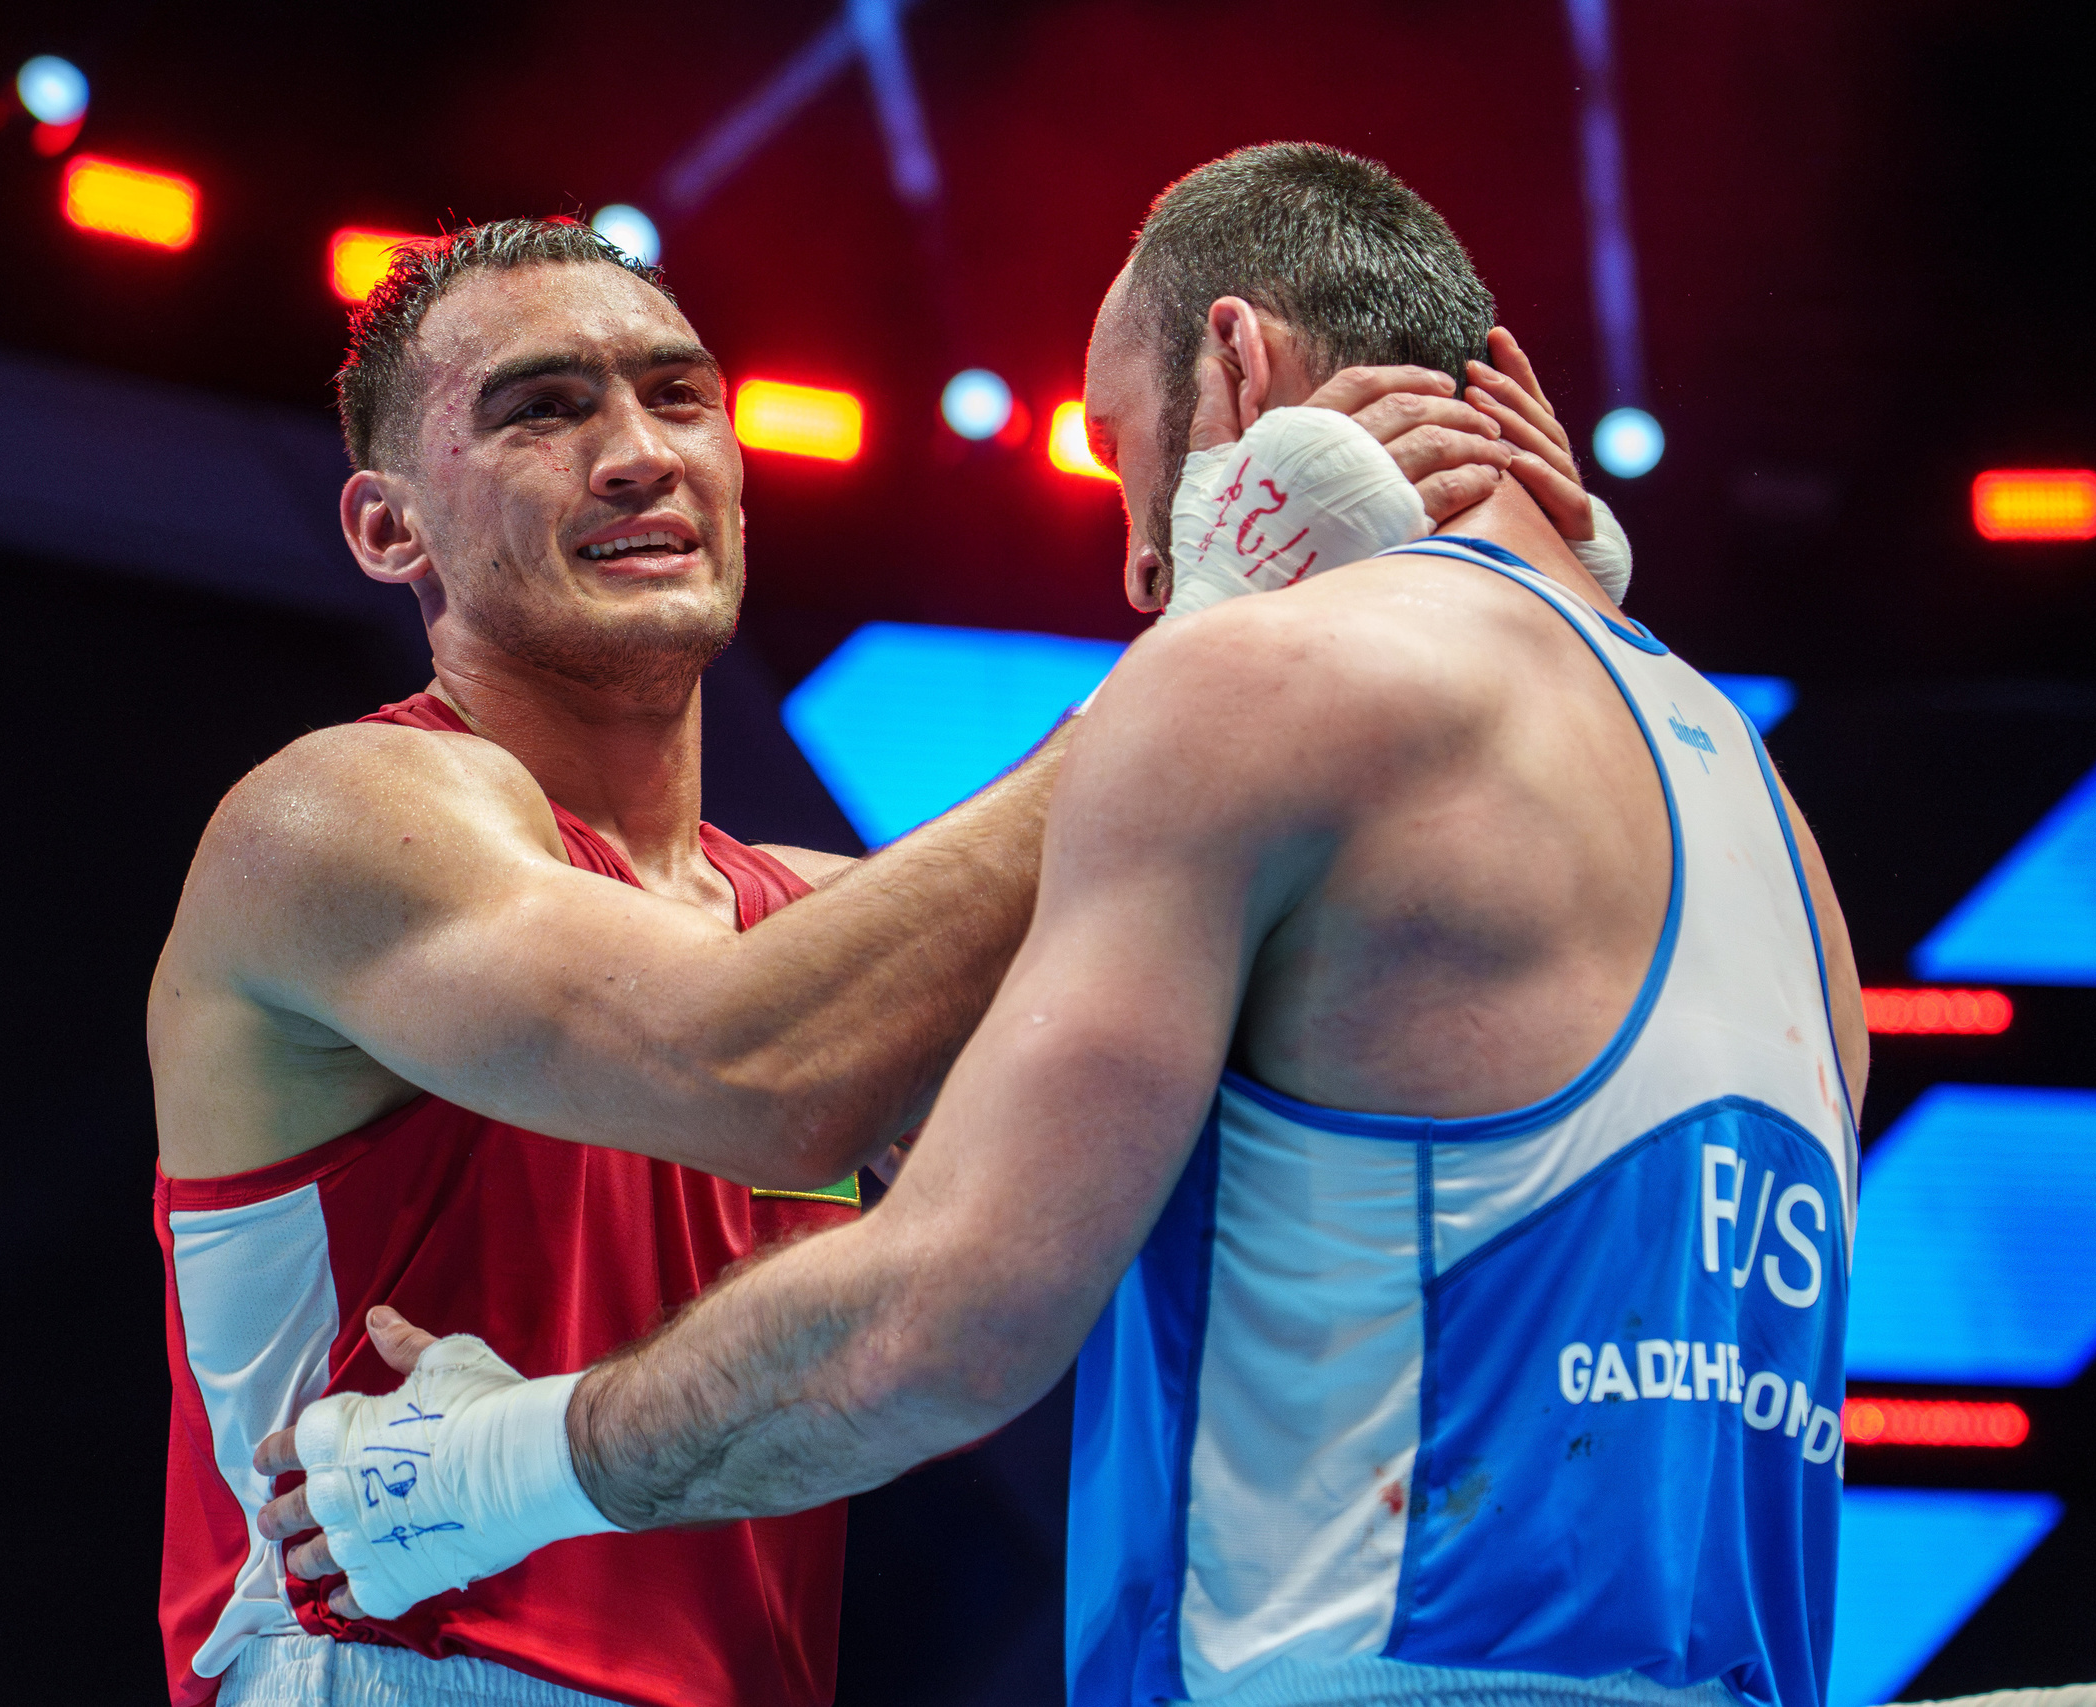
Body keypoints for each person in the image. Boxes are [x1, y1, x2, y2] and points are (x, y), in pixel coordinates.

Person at [259, 145, 1869, 1707]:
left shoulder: (1248, 685)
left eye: (1117, 450)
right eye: (545, 411)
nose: (1146, 563)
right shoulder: (1761, 810)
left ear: (1236, 362)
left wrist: (481, 1470)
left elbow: (941, 1306)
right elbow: (800, 1045)